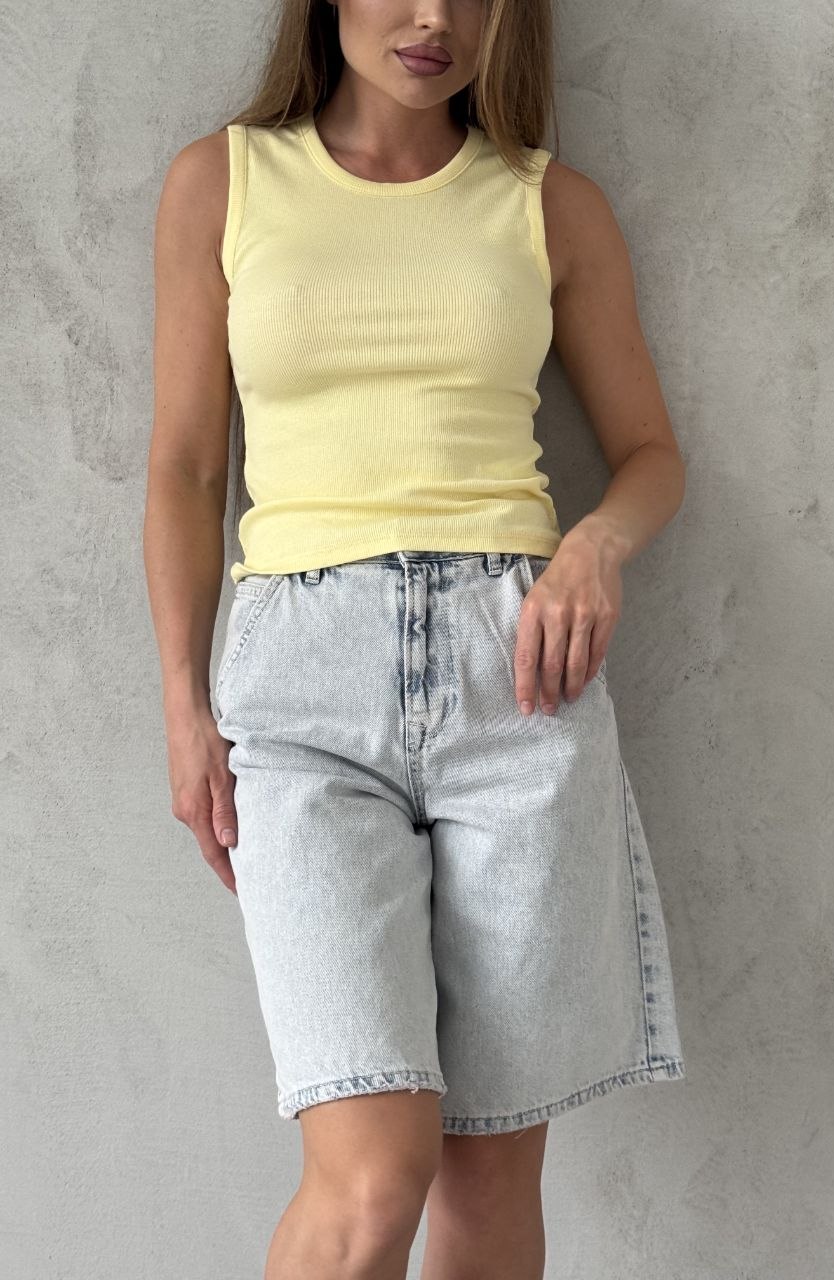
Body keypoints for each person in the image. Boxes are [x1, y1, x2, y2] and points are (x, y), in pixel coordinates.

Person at [144, 1, 687, 1276]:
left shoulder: (550, 205)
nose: (437, 18)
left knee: (489, 1175)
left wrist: (594, 548)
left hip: (521, 680)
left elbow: (651, 453)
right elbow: (184, 468)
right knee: (373, 1174)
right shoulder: (223, 182)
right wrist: (182, 703)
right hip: (302, 689)